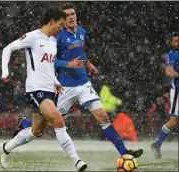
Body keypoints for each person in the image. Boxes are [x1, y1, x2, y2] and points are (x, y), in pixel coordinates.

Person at [13, 3, 143, 159]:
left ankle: (124, 152)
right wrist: (68, 64)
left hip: (84, 84)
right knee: (49, 123)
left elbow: (79, 53)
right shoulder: (57, 37)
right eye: (67, 15)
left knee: (103, 117)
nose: (71, 17)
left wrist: (87, 63)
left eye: (73, 14)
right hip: (65, 87)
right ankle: (25, 124)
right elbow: (49, 61)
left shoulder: (82, 31)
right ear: (62, 19)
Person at [0, 7, 87, 172]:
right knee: (59, 121)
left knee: (36, 131)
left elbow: (48, 65)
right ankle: (77, 161)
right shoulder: (32, 37)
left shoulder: (53, 41)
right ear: (52, 21)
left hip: (51, 90)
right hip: (35, 88)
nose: (61, 28)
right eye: (60, 24)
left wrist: (55, 81)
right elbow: (7, 49)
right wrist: (5, 72)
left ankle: (6, 148)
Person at [151, 32, 179, 159]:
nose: (178, 43)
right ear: (172, 43)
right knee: (173, 121)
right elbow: (169, 71)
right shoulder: (172, 55)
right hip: (178, 91)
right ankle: (157, 144)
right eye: (176, 41)